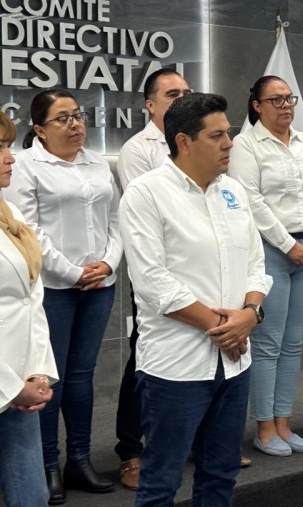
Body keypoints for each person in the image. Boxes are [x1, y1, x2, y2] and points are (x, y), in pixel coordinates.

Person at [119, 93, 272, 506]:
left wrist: (251, 313)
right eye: (217, 135)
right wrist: (224, 328)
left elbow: (256, 263)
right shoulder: (146, 193)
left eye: (228, 133)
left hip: (235, 362)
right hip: (176, 366)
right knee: (161, 482)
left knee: (221, 475)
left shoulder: (233, 191)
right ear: (184, 142)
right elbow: (153, 282)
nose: (229, 143)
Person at [6, 90, 122, 504]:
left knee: (81, 376)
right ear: (40, 129)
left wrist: (108, 263)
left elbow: (115, 219)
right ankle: (47, 466)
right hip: (54, 289)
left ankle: (79, 459)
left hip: (99, 285)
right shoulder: (25, 165)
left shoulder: (97, 162)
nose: (75, 124)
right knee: (47, 380)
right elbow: (28, 230)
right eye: (62, 118)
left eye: (78, 115)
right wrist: (73, 273)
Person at [229, 75, 303, 457]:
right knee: (268, 343)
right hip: (271, 251)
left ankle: (284, 423)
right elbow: (250, 200)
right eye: (276, 100)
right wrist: (289, 245)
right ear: (257, 105)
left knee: (293, 343)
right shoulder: (246, 144)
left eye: (290, 98)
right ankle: (264, 428)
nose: (286, 105)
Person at [114, 67, 192, 490]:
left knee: (199, 353)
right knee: (143, 356)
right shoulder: (137, 150)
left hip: (202, 268)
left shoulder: (198, 139)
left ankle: (196, 442)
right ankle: (131, 450)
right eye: (172, 94)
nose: (182, 98)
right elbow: (147, 215)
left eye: (187, 92)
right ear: (150, 105)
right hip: (157, 269)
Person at [0, 111, 58, 507]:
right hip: (9, 383)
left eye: (8, 145)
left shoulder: (12, 214)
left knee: (32, 498)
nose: (11, 157)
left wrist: (36, 373)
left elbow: (31, 299)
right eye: (0, 147)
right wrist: (11, 385)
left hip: (20, 383)